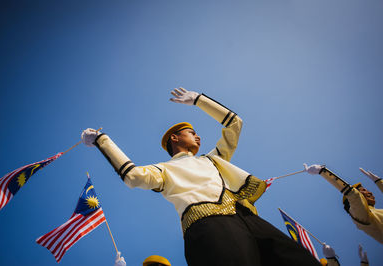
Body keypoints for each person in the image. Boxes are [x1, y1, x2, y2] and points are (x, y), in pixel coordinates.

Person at [82, 88, 321, 265]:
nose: (198, 137)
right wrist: (102, 141)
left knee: (298, 260)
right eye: (191, 133)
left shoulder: (212, 159)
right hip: (209, 226)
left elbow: (235, 124)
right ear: (174, 138)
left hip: (246, 217)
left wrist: (199, 100)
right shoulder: (164, 169)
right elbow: (132, 176)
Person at [303, 164, 383, 244]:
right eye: (363, 190)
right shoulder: (362, 216)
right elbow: (355, 197)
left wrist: (379, 181)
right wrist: (322, 171)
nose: (370, 192)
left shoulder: (375, 213)